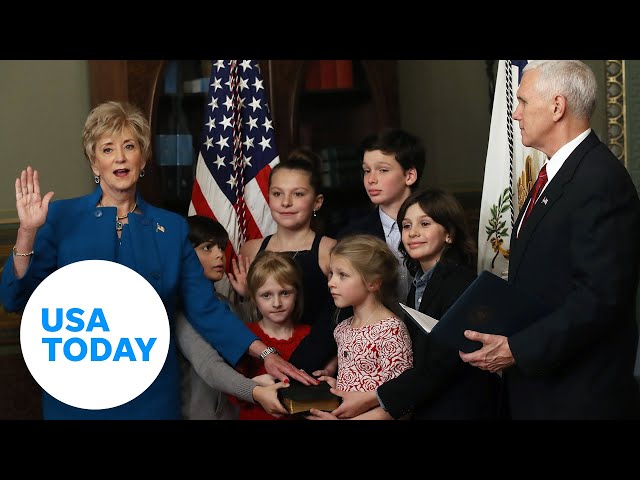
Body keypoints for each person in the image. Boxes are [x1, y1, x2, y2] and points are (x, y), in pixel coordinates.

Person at [0, 101, 314, 420]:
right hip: (79, 394)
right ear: (94, 163)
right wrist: (26, 231)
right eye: (107, 149)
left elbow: (204, 309)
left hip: (150, 393)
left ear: (143, 157)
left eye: (129, 146)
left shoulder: (172, 228)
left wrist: (266, 353)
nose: (120, 157)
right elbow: (16, 297)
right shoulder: (60, 217)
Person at [460, 60, 640, 419]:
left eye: (524, 102)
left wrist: (518, 349)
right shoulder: (552, 174)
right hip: (542, 386)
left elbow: (599, 299)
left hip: (578, 395)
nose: (515, 113)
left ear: (557, 107)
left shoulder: (600, 181)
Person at [320, 189, 500, 420]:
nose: (413, 233)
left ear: (449, 234)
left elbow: (440, 364)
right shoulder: (419, 283)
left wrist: (369, 398)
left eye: (424, 224)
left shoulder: (461, 284)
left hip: (462, 408)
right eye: (406, 226)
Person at [229, 148, 337, 374]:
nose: (286, 202)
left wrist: (332, 364)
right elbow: (246, 318)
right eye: (278, 194)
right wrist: (246, 296)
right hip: (265, 359)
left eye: (298, 194)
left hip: (317, 361)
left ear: (317, 202)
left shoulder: (330, 250)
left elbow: (343, 318)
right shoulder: (252, 248)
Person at [176, 215, 287, 420]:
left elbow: (247, 336)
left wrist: (247, 297)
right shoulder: (179, 309)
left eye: (221, 247)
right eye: (207, 247)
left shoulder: (222, 301)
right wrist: (256, 391)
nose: (219, 254)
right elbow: (210, 366)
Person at [307, 234, 413, 420]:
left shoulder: (391, 329)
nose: (331, 282)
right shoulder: (342, 329)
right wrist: (336, 387)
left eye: (343, 275)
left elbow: (401, 399)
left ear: (373, 282)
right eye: (331, 274)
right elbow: (359, 379)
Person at [337, 128, 426, 309]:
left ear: (409, 175)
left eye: (382, 170)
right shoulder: (352, 235)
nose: (371, 179)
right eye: (367, 170)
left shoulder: (436, 225)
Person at [231, 251, 311, 420]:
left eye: (284, 293)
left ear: (296, 293)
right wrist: (255, 385)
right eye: (266, 295)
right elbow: (230, 390)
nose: (276, 303)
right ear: (254, 298)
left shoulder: (310, 336)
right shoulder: (245, 335)